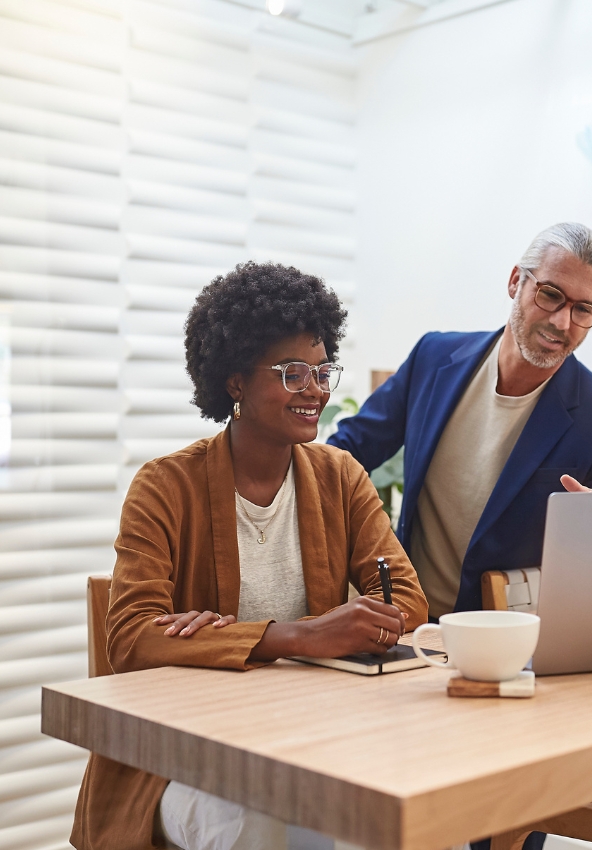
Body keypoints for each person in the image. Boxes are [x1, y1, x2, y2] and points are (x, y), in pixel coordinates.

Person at [71, 262, 428, 850]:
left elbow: (406, 599)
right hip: (182, 755)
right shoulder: (164, 486)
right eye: (292, 373)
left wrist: (227, 636)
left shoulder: (341, 477)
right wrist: (297, 636)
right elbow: (132, 639)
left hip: (311, 740)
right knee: (256, 824)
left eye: (321, 371)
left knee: (403, 820)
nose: (314, 389)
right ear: (235, 382)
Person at [329, 222, 592, 618]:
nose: (562, 322)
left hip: (510, 646)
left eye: (583, 309)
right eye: (550, 295)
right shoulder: (433, 357)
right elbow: (348, 450)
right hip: (407, 631)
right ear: (516, 282)